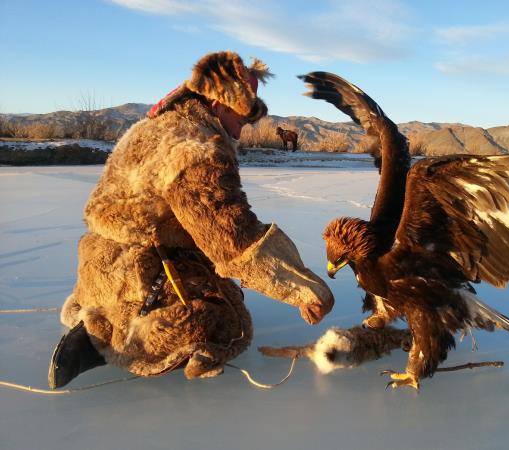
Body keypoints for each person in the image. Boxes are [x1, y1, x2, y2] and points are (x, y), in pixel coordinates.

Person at [48, 51, 334, 388]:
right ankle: (110, 340)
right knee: (225, 320)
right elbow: (232, 237)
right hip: (138, 271)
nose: (242, 130)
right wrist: (305, 289)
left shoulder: (158, 126)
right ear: (218, 106)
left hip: (99, 264)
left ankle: (98, 308)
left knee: (215, 278)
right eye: (241, 117)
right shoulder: (198, 148)